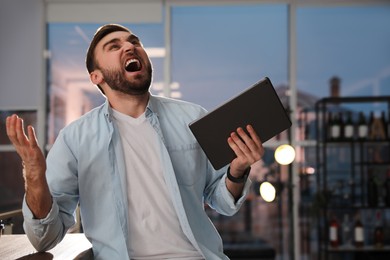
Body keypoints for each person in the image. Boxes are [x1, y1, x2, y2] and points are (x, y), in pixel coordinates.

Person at [6, 24, 264, 259]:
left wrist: (238, 169)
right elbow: (44, 238)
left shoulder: (192, 117)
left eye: (134, 42)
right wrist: (35, 175)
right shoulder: (75, 139)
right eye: (114, 46)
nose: (130, 46)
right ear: (96, 76)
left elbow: (222, 201)